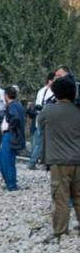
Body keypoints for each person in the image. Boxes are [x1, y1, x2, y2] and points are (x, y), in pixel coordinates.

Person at [38, 77, 80, 243]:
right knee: (78, 195)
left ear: (55, 93)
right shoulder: (77, 110)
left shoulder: (48, 110)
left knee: (60, 197)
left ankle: (60, 232)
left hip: (59, 161)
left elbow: (39, 125)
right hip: (78, 159)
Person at [0, 87, 25, 191]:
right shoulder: (16, 105)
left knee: (6, 160)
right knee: (1, 158)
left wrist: (9, 127)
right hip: (9, 135)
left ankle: (11, 184)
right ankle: (9, 182)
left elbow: (16, 118)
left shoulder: (12, 106)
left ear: (6, 96)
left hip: (10, 135)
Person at [28, 72, 55, 169]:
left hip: (39, 118)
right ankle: (33, 162)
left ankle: (36, 162)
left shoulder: (41, 91)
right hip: (46, 119)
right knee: (40, 143)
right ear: (50, 80)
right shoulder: (53, 92)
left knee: (37, 142)